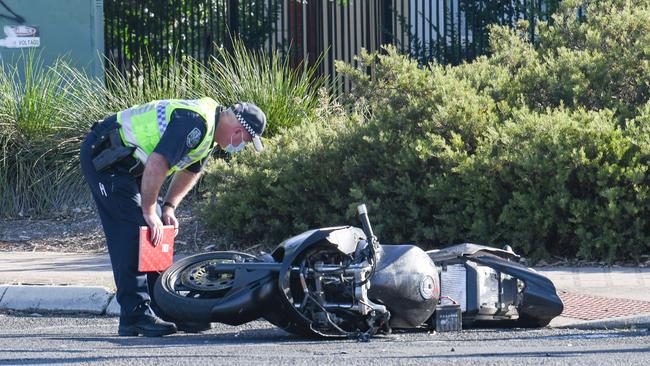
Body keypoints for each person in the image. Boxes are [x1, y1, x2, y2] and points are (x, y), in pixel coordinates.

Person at [79, 98, 266, 337]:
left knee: (158, 235)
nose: (242, 146)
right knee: (136, 232)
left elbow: (191, 171)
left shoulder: (209, 131)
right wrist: (148, 211)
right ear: (239, 131)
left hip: (130, 164)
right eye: (246, 141)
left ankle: (163, 307)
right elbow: (158, 162)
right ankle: (134, 316)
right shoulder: (196, 123)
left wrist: (167, 208)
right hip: (106, 154)